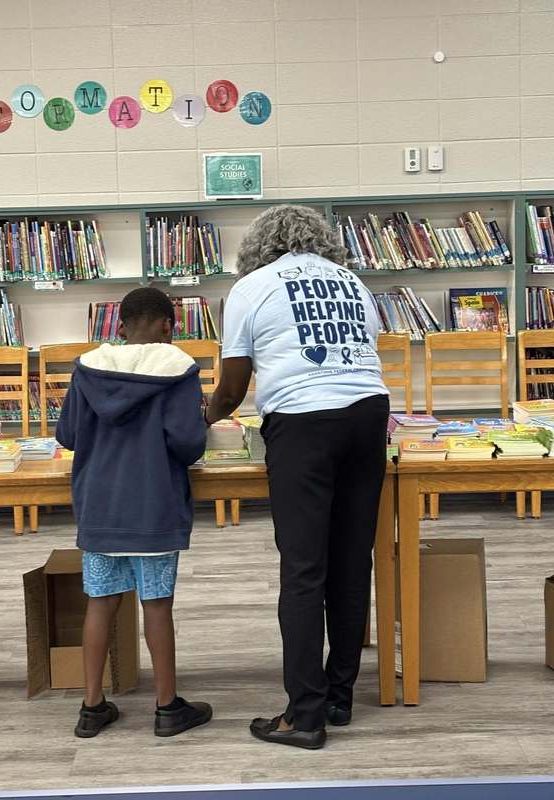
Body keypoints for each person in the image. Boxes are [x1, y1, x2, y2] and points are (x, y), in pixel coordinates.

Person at [205, 205, 389, 751]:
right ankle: (339, 696)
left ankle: (304, 715)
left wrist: (204, 417)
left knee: (305, 569)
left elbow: (234, 388)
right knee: (353, 562)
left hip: (304, 424)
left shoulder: (252, 287)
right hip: (368, 415)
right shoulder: (352, 280)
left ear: (258, 246)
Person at [56, 286, 212, 739]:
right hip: (155, 508)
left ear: (119, 326)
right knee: (157, 605)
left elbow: (68, 435)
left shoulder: (87, 370)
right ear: (169, 326)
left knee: (100, 604)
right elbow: (187, 445)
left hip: (101, 508)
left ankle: (91, 708)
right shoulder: (179, 370)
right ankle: (167, 708)